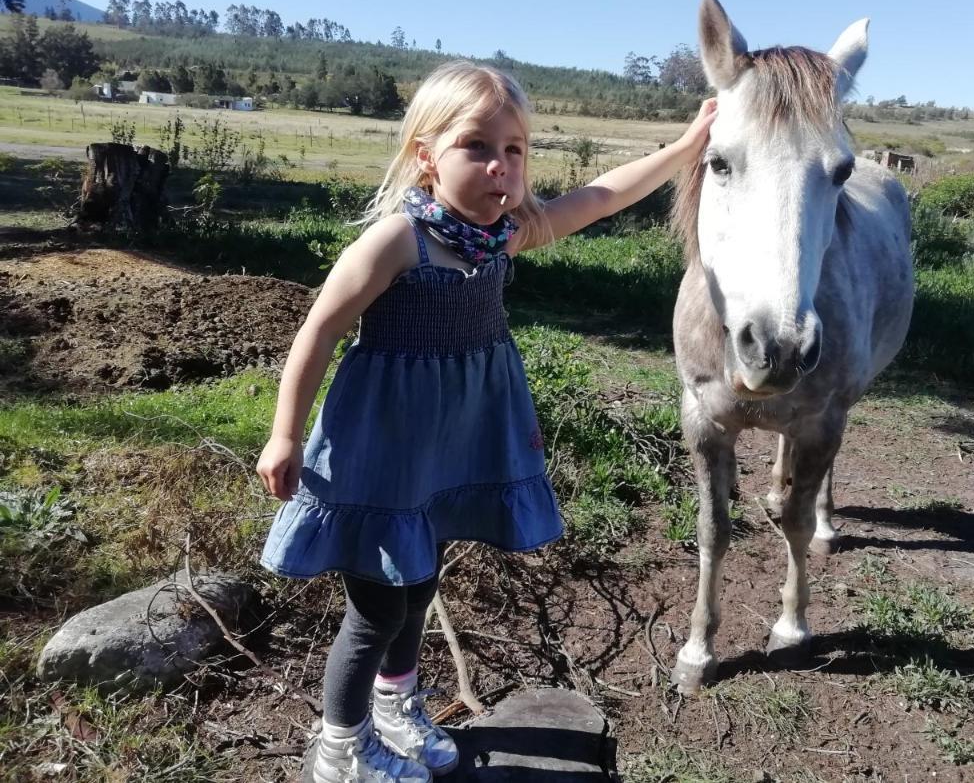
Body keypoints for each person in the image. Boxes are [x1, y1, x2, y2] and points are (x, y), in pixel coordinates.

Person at [256, 60, 715, 782]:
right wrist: (285, 434)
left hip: (451, 450)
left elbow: (598, 198)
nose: (500, 167)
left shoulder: (496, 237)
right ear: (426, 156)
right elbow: (317, 331)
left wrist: (688, 146)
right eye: (477, 147)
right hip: (383, 452)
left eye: (514, 150)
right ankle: (339, 749)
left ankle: (393, 710)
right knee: (377, 607)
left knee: (421, 582)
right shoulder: (396, 242)